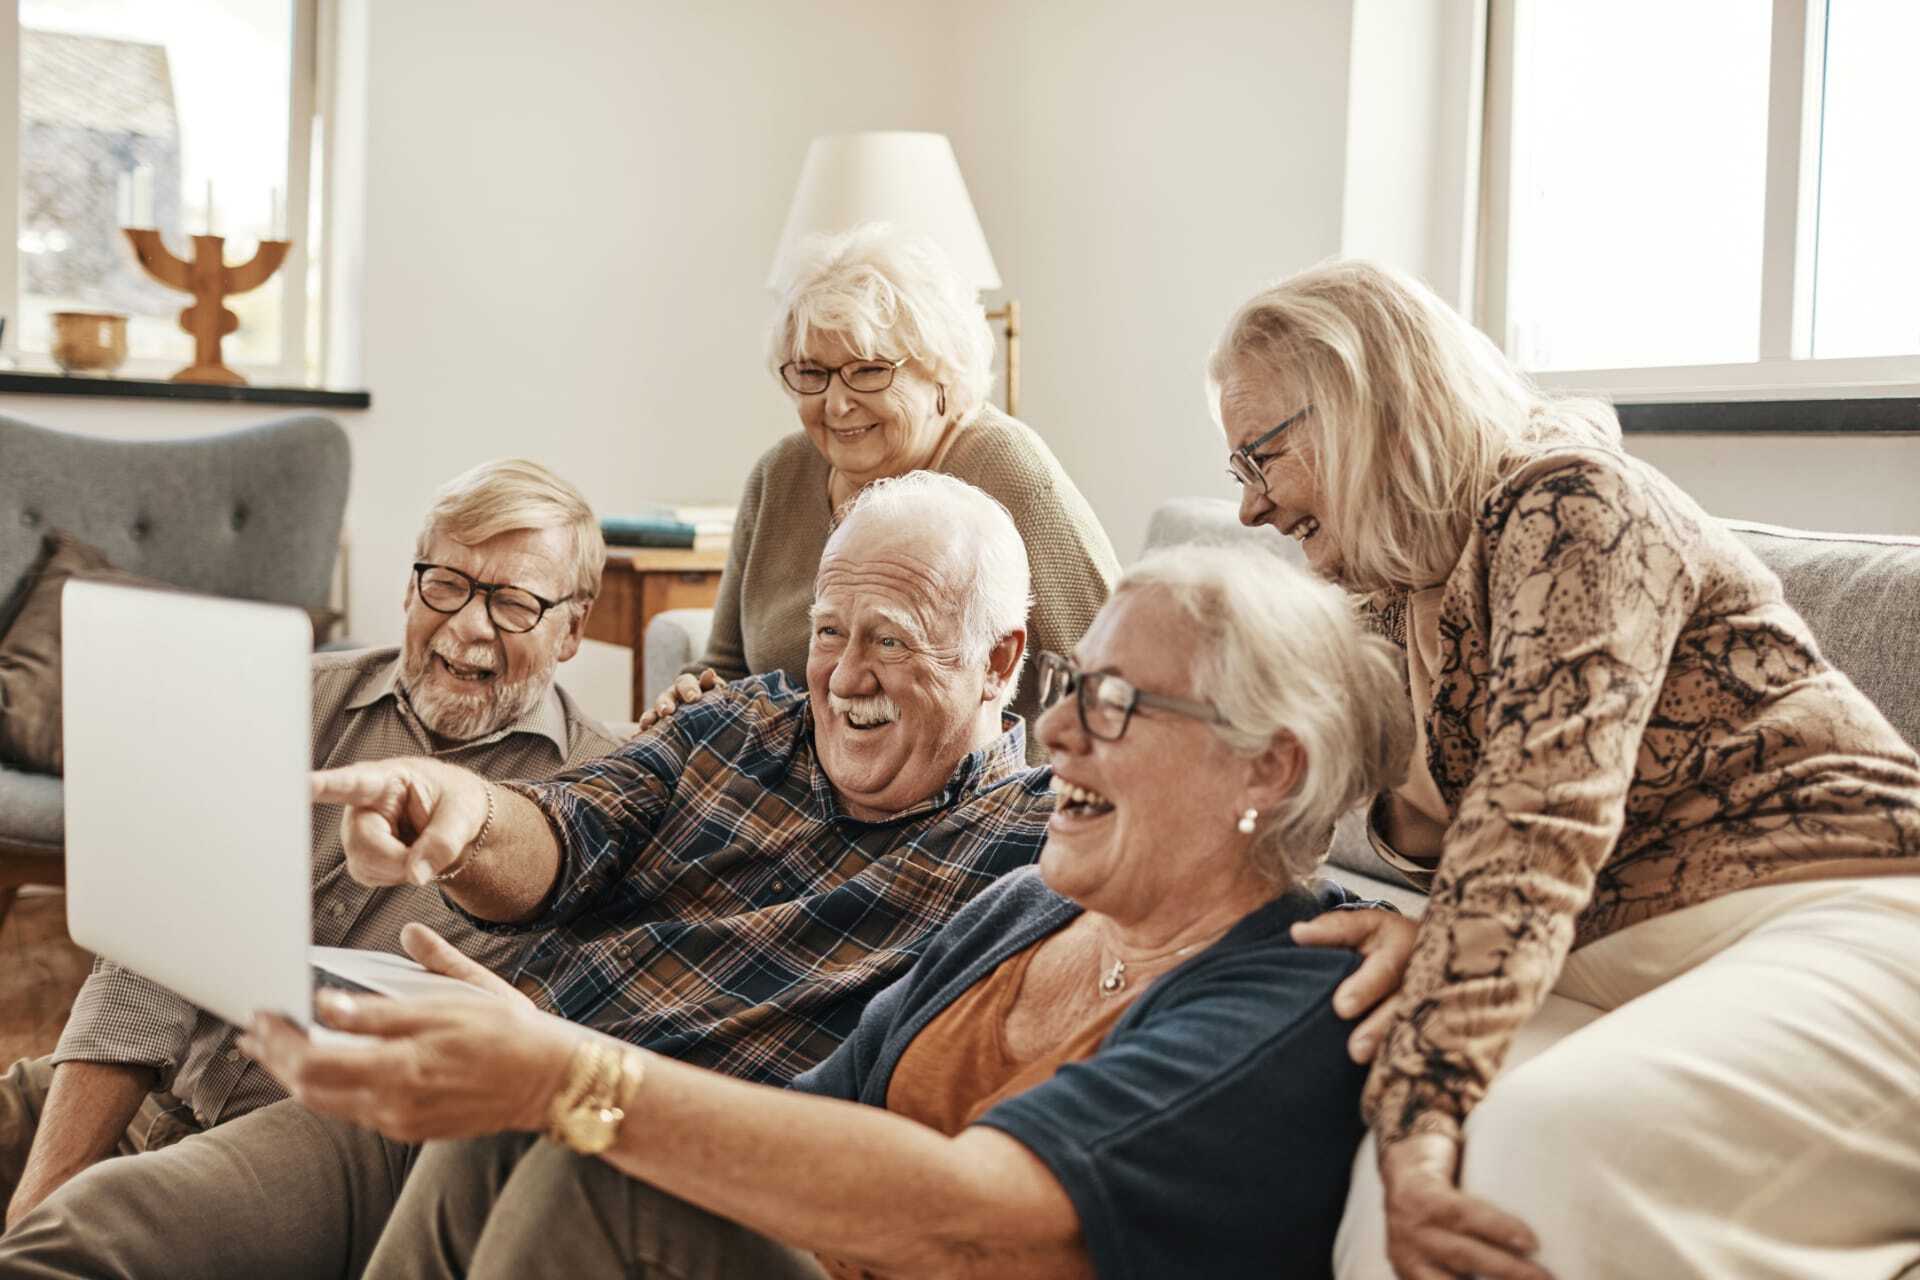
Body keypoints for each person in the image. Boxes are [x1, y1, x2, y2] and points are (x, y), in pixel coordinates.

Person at [232, 542, 1418, 1280]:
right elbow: (799, 1120)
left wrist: (569, 1077)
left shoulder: (1291, 993)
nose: (1053, 733)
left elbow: (981, 1217)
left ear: (1269, 767)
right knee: (526, 1135)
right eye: (1072, 692)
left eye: (1112, 702)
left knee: (590, 1159)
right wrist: (552, 1064)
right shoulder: (1021, 912)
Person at [0, 471, 1062, 1277]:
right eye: (830, 631)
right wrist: (461, 821)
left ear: (1000, 661)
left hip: (647, 1169)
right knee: (78, 1239)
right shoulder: (737, 727)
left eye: (893, 640)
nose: (844, 673)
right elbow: (564, 827)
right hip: (453, 1088)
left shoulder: (1036, 845)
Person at [1211, 258, 1920, 1280]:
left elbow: (1535, 818)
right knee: (1389, 1179)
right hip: (1612, 955)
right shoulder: (1398, 591)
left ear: (1366, 398)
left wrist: (1426, 1101)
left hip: (1843, 907)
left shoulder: (1567, 498)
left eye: (1259, 458)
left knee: (1535, 1142)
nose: (1251, 510)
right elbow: (1281, 784)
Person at [0, 456, 620, 1230]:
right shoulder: (286, 697)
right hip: (156, 1084)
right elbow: (148, 958)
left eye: (514, 603)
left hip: (294, 1163)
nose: (468, 624)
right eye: (447, 583)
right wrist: (42, 1188)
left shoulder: (598, 798)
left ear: (574, 629)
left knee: (67, 1236)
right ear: (408, 586)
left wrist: (39, 1216)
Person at [667, 222, 1119, 760]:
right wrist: (694, 695)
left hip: (975, 807)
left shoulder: (1010, 472)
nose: (835, 404)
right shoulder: (781, 474)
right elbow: (728, 667)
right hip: (798, 791)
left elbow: (1115, 681)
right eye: (813, 373)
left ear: (942, 373)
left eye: (868, 371)